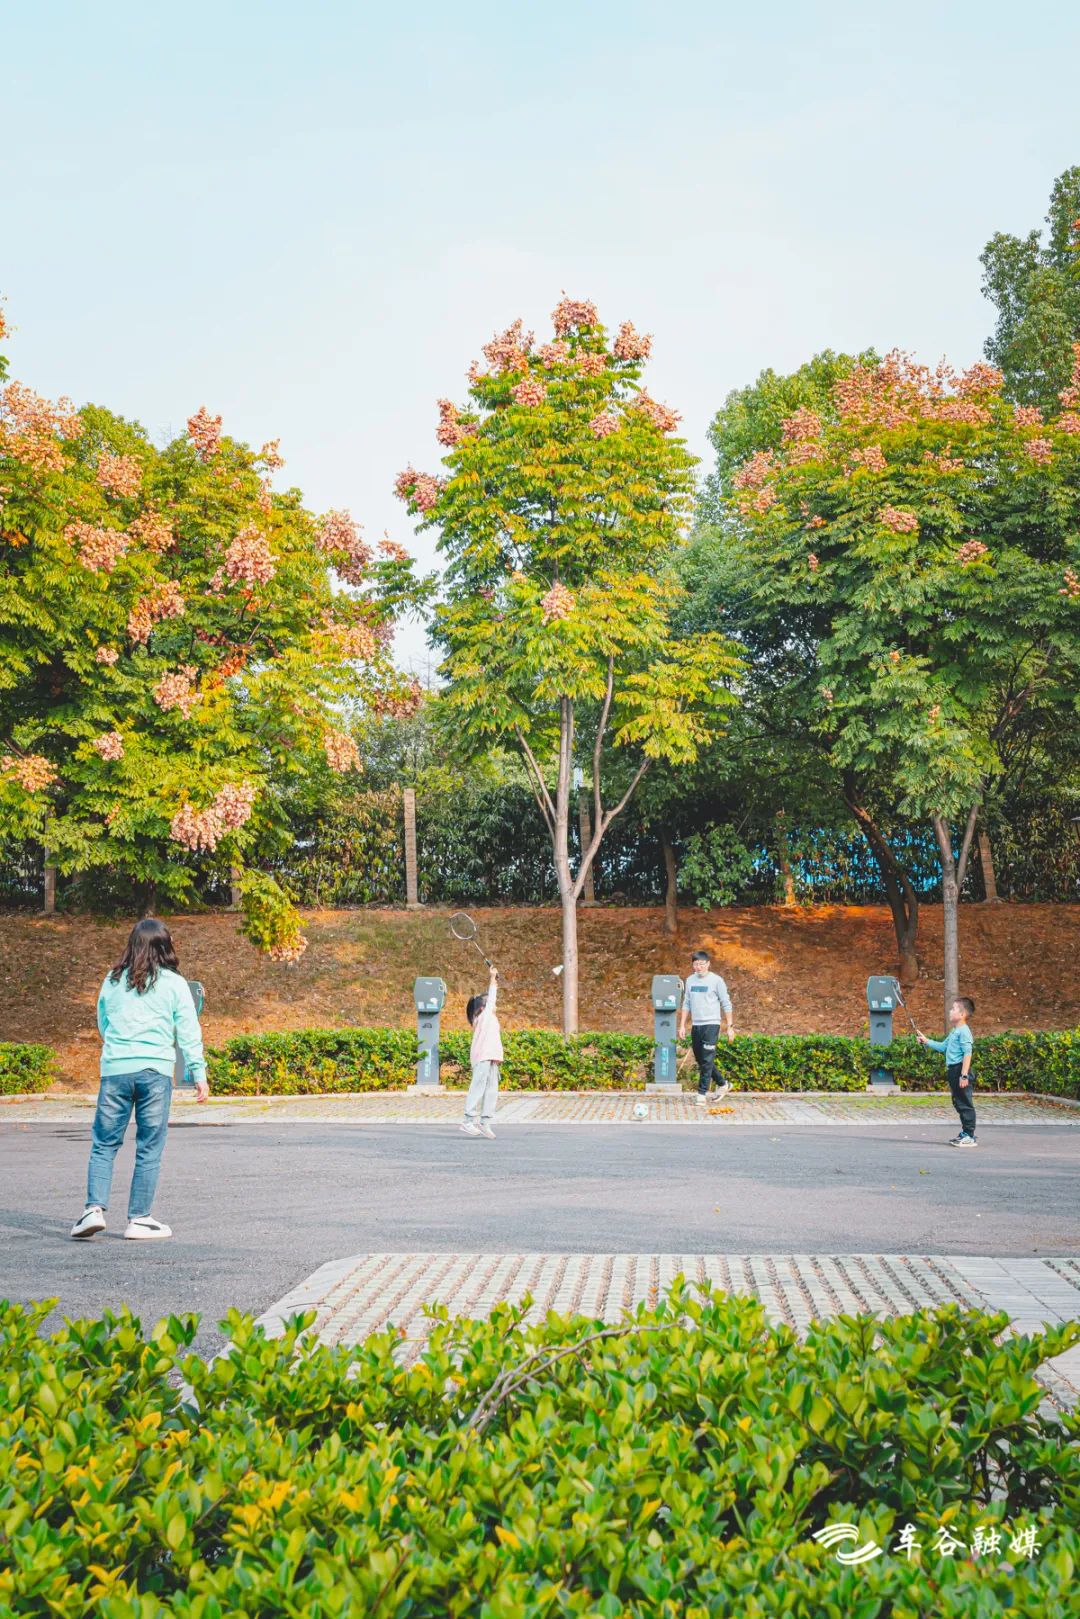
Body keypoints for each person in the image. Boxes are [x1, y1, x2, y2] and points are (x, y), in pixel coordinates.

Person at [70, 918, 208, 1241]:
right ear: (165, 946)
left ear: (132, 944)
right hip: (155, 1072)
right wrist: (198, 1073)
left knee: (104, 1142)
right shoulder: (174, 983)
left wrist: (120, 1046)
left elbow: (103, 1023)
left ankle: (93, 1210)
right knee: (149, 1145)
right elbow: (188, 1032)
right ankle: (139, 1219)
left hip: (115, 1070)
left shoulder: (113, 979)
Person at [678, 948, 735, 1106]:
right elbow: (686, 1003)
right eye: (695, 964)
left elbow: (726, 1003)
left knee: (708, 1058)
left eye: (702, 964)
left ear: (708, 964)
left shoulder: (717, 981)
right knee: (701, 1059)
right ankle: (723, 1084)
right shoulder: (690, 980)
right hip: (697, 1025)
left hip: (712, 1024)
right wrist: (682, 1025)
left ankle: (701, 1093)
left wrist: (730, 1027)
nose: (699, 967)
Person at [918, 996, 976, 1147]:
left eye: (954, 1009)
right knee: (958, 1102)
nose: (950, 1011)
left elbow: (967, 1054)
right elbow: (943, 1047)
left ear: (962, 1014)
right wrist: (927, 1041)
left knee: (964, 1103)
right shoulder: (955, 1031)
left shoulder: (964, 1031)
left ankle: (969, 1135)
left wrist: (964, 1075)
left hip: (960, 1070)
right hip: (953, 1070)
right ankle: (965, 1133)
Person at [461, 965, 501, 1140]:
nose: (492, 1003)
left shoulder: (489, 1017)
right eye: (488, 1002)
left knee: (492, 1090)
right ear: (482, 1007)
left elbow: (492, 998)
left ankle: (485, 1122)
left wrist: (495, 980)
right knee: (478, 1087)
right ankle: (468, 1121)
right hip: (483, 1057)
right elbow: (492, 996)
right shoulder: (483, 1017)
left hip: (492, 1057)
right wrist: (492, 978)